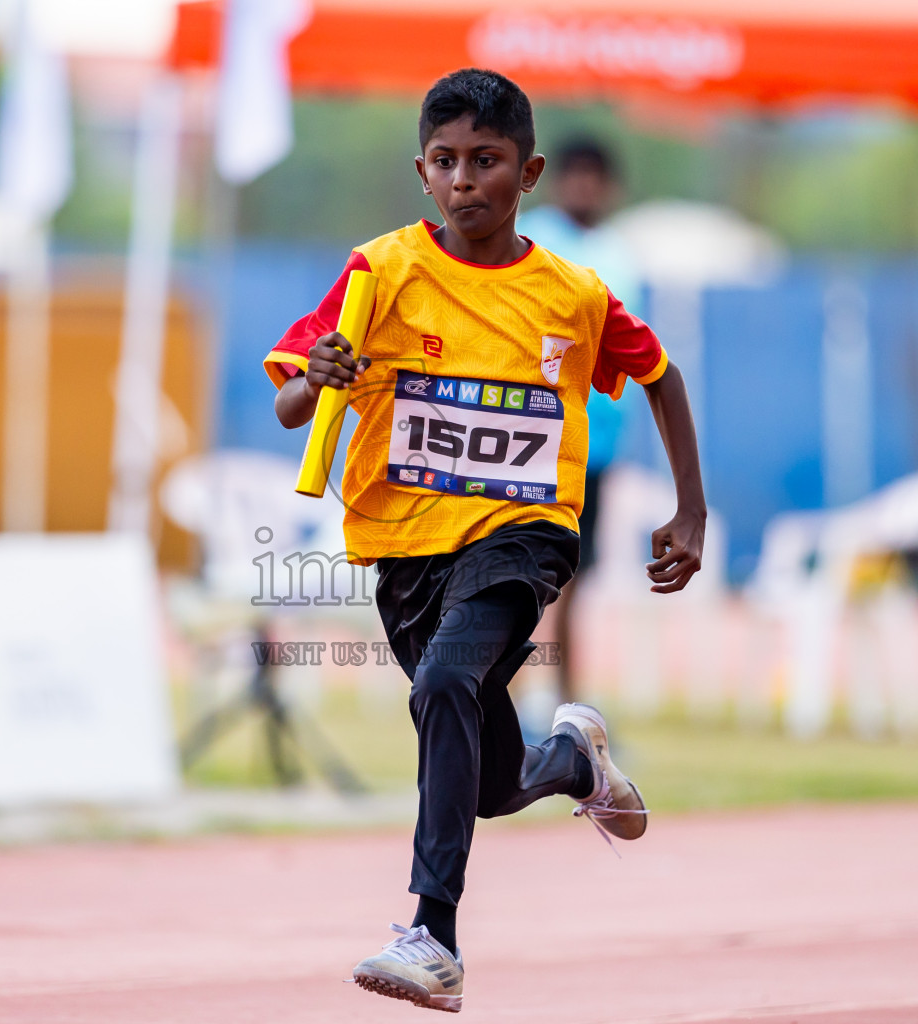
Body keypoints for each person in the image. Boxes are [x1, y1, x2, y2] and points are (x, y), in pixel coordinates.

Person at [264, 69, 706, 1013]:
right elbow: (292, 398)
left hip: (524, 535)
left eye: (487, 161)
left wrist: (689, 510)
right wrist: (319, 376)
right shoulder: (379, 273)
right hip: (407, 552)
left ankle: (435, 934)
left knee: (444, 686)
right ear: (421, 172)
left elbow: (661, 374)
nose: (466, 180)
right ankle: (574, 762)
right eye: (446, 162)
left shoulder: (574, 295)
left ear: (529, 171)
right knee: (491, 779)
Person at [518, 138, 645, 706]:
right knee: (516, 577)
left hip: (595, 448)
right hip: (532, 439)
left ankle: (569, 709)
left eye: (596, 177)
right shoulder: (533, 241)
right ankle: (508, 706)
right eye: (577, 175)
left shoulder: (620, 256)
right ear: (556, 180)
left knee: (573, 580)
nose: (585, 187)